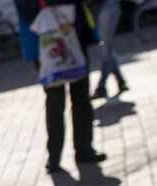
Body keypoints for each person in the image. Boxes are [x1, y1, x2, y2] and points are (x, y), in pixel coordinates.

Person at [15, 0, 108, 173]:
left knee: (81, 97)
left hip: (73, 38)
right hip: (45, 45)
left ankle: (84, 148)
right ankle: (54, 155)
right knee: (55, 102)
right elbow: (25, 10)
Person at [90, 0, 129, 99]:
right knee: (106, 48)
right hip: (92, 6)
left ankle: (101, 86)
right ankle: (120, 80)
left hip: (108, 3)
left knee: (106, 48)